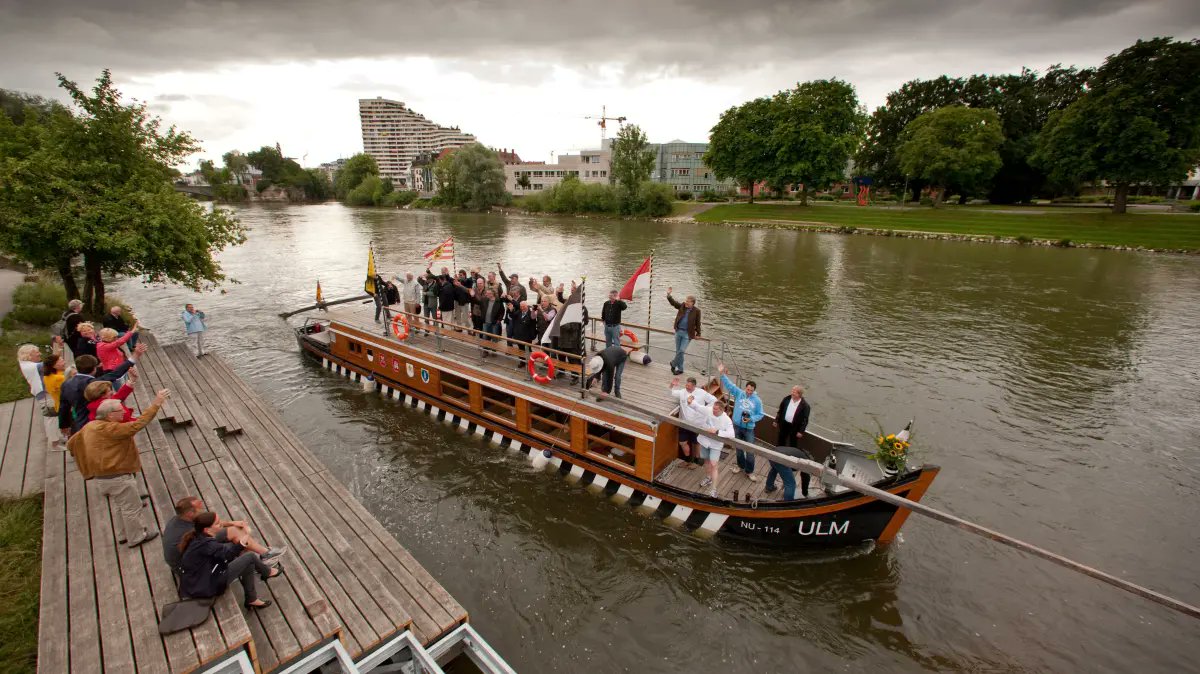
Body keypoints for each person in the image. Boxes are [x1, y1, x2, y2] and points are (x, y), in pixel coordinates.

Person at [67, 390, 170, 547]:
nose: (124, 411)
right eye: (120, 410)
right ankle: (136, 537)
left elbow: (71, 443)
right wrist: (156, 404)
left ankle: (123, 534)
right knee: (132, 507)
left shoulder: (91, 426)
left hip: (102, 477)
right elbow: (137, 424)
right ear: (110, 415)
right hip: (117, 477)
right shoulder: (112, 429)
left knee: (120, 506)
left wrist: (87, 459)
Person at [177, 511, 283, 609]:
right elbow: (228, 555)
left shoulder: (197, 537)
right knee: (250, 556)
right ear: (207, 530)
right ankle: (268, 572)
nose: (221, 524)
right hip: (208, 586)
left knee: (246, 561)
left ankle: (252, 598)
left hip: (196, 580)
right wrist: (246, 535)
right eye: (217, 524)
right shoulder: (208, 545)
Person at [163, 496, 285, 574]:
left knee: (235, 531)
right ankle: (254, 566)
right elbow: (208, 546)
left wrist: (232, 523)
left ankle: (265, 554)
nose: (203, 510)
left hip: (198, 547)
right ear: (190, 513)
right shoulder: (189, 533)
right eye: (200, 509)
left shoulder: (182, 518)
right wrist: (243, 540)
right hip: (191, 567)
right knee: (238, 544)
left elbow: (211, 524)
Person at [59, 350, 141, 435]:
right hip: (99, 423)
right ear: (94, 369)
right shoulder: (94, 383)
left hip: (80, 424)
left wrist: (64, 425)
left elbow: (63, 406)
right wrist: (133, 358)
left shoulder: (66, 384)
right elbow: (115, 374)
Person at [717, 363, 764, 481]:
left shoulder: (757, 401)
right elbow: (729, 385)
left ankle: (750, 471)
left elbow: (760, 414)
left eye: (751, 391)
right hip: (736, 426)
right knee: (738, 449)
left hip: (749, 428)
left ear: (754, 391)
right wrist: (722, 374)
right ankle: (740, 466)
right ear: (745, 388)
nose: (749, 392)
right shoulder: (739, 393)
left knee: (750, 451)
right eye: (748, 389)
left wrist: (751, 419)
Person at [768, 385, 813, 500]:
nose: (792, 393)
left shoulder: (805, 406)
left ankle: (791, 465)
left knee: (793, 443)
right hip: (784, 424)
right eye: (792, 391)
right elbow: (780, 410)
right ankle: (778, 454)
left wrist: (801, 431)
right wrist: (776, 420)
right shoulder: (787, 399)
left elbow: (805, 420)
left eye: (794, 392)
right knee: (781, 440)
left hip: (795, 427)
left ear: (799, 394)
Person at [685, 398, 734, 498]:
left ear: (721, 410)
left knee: (714, 464)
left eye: (715, 409)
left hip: (716, 445)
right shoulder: (709, 410)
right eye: (713, 408)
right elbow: (698, 407)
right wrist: (690, 402)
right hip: (705, 441)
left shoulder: (726, 420)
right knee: (706, 461)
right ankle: (708, 478)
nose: (713, 410)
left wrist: (717, 432)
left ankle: (714, 489)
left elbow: (731, 434)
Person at [669, 376, 716, 468]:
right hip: (684, 423)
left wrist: (706, 410)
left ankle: (696, 462)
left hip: (698, 424)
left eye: (689, 385)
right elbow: (669, 393)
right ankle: (687, 460)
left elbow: (713, 400)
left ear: (694, 386)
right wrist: (672, 385)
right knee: (682, 442)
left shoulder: (701, 393)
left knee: (696, 443)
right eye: (686, 385)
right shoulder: (682, 392)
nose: (687, 387)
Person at [666, 288, 701, 375]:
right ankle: (680, 369)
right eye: (686, 300)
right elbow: (674, 303)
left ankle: (673, 363)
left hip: (687, 334)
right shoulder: (682, 306)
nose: (686, 302)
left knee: (681, 351)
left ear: (692, 303)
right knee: (679, 352)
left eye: (688, 301)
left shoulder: (697, 311)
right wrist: (669, 295)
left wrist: (699, 333)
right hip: (678, 332)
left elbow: (698, 323)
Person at [41, 352, 66, 449]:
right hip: (64, 405)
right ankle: (57, 444)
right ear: (54, 365)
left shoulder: (47, 376)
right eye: (60, 360)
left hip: (57, 403)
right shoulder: (59, 378)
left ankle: (60, 439)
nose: (63, 361)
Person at [474, 288, 506, 356]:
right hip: (485, 322)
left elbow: (502, 311)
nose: (486, 294)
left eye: (488, 293)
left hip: (494, 323)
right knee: (485, 337)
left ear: (492, 294)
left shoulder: (498, 301)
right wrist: (473, 295)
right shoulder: (484, 299)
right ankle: (486, 351)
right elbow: (477, 301)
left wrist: (499, 320)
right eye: (486, 293)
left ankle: (494, 351)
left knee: (494, 337)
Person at [509, 301, 537, 370]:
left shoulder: (531, 313)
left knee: (528, 349)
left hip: (528, 335)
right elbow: (512, 316)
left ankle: (530, 362)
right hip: (519, 335)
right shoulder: (518, 312)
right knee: (521, 349)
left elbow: (533, 320)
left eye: (524, 306)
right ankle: (522, 362)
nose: (522, 308)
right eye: (521, 306)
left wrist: (534, 310)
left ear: (527, 306)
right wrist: (511, 310)